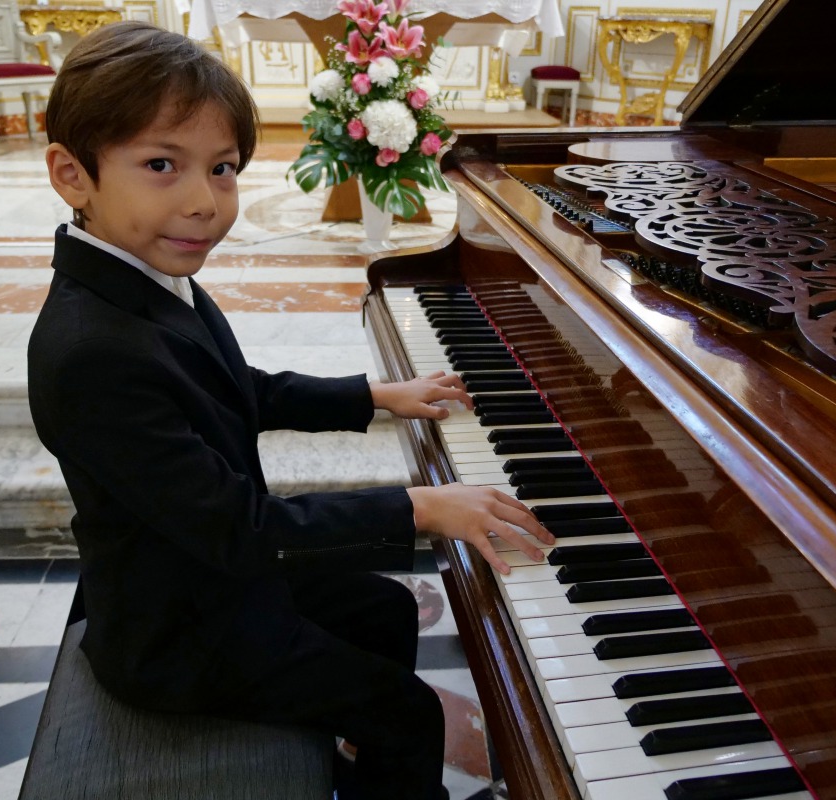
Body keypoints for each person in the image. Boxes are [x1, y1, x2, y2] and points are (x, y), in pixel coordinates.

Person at [27, 21, 554, 800]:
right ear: (73, 175)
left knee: (383, 609)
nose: (204, 202)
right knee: (407, 709)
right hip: (175, 632)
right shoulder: (91, 351)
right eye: (161, 165)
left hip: (202, 580)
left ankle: (363, 765)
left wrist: (374, 395)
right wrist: (420, 507)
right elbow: (240, 528)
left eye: (224, 169)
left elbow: (240, 386)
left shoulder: (139, 276)